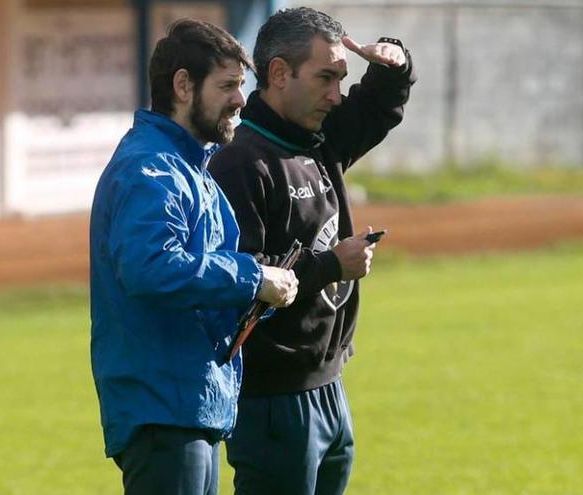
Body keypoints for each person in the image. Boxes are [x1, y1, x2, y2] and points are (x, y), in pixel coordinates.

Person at [208, 7, 416, 495]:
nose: (336, 94)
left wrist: (393, 61)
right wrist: (330, 266)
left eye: (341, 78)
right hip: (274, 397)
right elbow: (242, 285)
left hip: (328, 384)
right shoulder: (242, 161)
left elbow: (379, 106)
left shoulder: (319, 139)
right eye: (326, 77)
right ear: (279, 73)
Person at [89, 19, 298, 495]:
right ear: (183, 85)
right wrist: (252, 278)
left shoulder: (189, 167)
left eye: (241, 86)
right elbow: (151, 268)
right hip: (164, 406)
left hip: (190, 402)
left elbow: (200, 288)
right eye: (227, 86)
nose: (241, 100)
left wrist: (258, 296)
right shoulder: (151, 167)